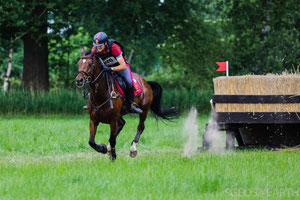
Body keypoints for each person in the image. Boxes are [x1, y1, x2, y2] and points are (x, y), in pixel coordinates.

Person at [91, 32, 143, 114]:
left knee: (129, 82)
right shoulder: (95, 48)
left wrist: (111, 68)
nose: (98, 48)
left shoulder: (114, 47)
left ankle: (131, 105)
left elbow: (123, 66)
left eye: (100, 46)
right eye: (96, 46)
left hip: (121, 67)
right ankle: (92, 104)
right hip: (107, 68)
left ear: (105, 43)